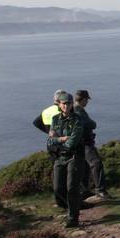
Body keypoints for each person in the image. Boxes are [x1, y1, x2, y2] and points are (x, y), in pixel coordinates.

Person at [47, 91, 87, 228]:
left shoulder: (77, 120)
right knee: (58, 188)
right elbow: (50, 142)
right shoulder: (55, 119)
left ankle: (73, 218)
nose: (66, 106)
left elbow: (73, 142)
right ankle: (74, 206)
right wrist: (62, 139)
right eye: (63, 103)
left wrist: (57, 139)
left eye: (69, 103)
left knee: (72, 188)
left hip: (74, 157)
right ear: (59, 104)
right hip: (59, 158)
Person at [74, 89, 107, 201]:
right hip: (85, 143)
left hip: (80, 143)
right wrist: (92, 124)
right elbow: (90, 124)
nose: (87, 102)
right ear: (83, 99)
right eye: (86, 100)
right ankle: (100, 190)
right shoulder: (78, 111)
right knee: (96, 163)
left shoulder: (76, 110)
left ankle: (84, 191)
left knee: (85, 167)